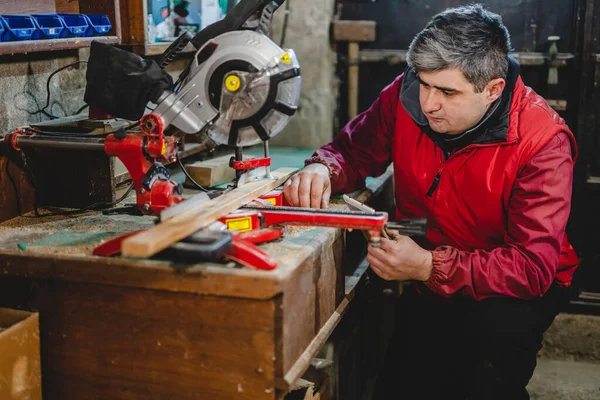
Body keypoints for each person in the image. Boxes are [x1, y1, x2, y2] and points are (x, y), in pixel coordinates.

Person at [283, 4, 579, 400]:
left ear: (493, 89)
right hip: (435, 270)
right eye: (424, 83)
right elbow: (353, 151)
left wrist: (427, 265)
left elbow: (530, 268)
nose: (428, 104)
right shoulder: (406, 95)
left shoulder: (543, 142)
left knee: (482, 379)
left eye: (447, 92)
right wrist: (323, 168)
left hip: (513, 287)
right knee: (401, 387)